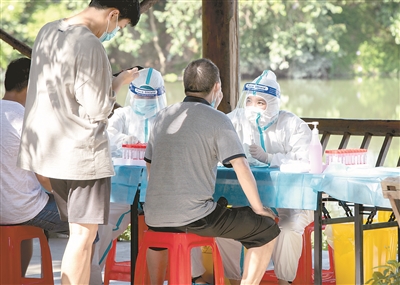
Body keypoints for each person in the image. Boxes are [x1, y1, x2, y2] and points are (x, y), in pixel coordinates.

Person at [17, 1, 141, 284]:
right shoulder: (91, 44)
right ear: (112, 14)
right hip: (82, 155)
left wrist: (116, 80)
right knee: (83, 237)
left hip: (50, 151)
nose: (114, 32)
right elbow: (97, 108)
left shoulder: (47, 31)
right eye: (119, 27)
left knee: (78, 236)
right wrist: (115, 88)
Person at [143, 58, 280, 285]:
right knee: (266, 229)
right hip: (196, 217)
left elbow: (149, 163)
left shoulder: (163, 116)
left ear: (185, 85)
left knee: (159, 235)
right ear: (217, 87)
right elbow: (241, 167)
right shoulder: (218, 119)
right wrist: (259, 208)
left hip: (155, 214)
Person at [219, 70, 314, 284]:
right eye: (250, 101)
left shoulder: (292, 125)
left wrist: (272, 158)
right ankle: (234, 279)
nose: (253, 107)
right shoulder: (236, 120)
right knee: (222, 227)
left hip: (293, 201)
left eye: (260, 102)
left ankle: (284, 281)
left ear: (272, 104)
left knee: (288, 228)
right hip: (249, 200)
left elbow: (308, 162)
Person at [90, 67, 171, 284]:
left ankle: (189, 277)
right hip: (122, 190)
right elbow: (107, 134)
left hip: (159, 193)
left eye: (150, 97)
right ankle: (92, 276)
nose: (144, 101)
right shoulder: (123, 115)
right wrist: (124, 140)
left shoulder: (168, 118)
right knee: (100, 227)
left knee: (178, 232)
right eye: (140, 96)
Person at [0, 57, 69, 276]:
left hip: (4, 207)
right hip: (22, 209)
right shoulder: (25, 120)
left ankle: (14, 279)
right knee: (87, 221)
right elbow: (45, 177)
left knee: (27, 220)